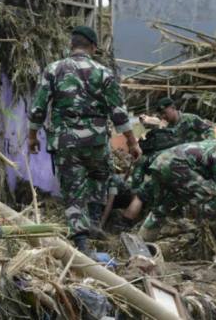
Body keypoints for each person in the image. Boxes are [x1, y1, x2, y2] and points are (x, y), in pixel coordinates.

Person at [27, 25, 142, 254]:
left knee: (73, 190)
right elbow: (118, 111)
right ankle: (95, 222)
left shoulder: (53, 70)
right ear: (93, 47)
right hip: (97, 143)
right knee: (99, 178)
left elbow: (39, 107)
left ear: (70, 46)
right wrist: (132, 141)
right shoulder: (104, 72)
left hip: (65, 143)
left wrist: (32, 136)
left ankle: (81, 242)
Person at [121, 98, 214, 228]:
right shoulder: (168, 129)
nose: (164, 116)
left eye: (165, 112)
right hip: (176, 167)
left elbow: (209, 130)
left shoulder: (190, 119)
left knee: (195, 192)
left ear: (173, 107)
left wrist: (205, 148)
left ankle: (199, 223)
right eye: (162, 115)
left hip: (195, 163)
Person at [138, 137, 216, 242]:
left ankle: (141, 242)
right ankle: (204, 239)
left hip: (159, 164)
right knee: (211, 199)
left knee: (162, 207)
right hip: (176, 166)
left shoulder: (213, 145)